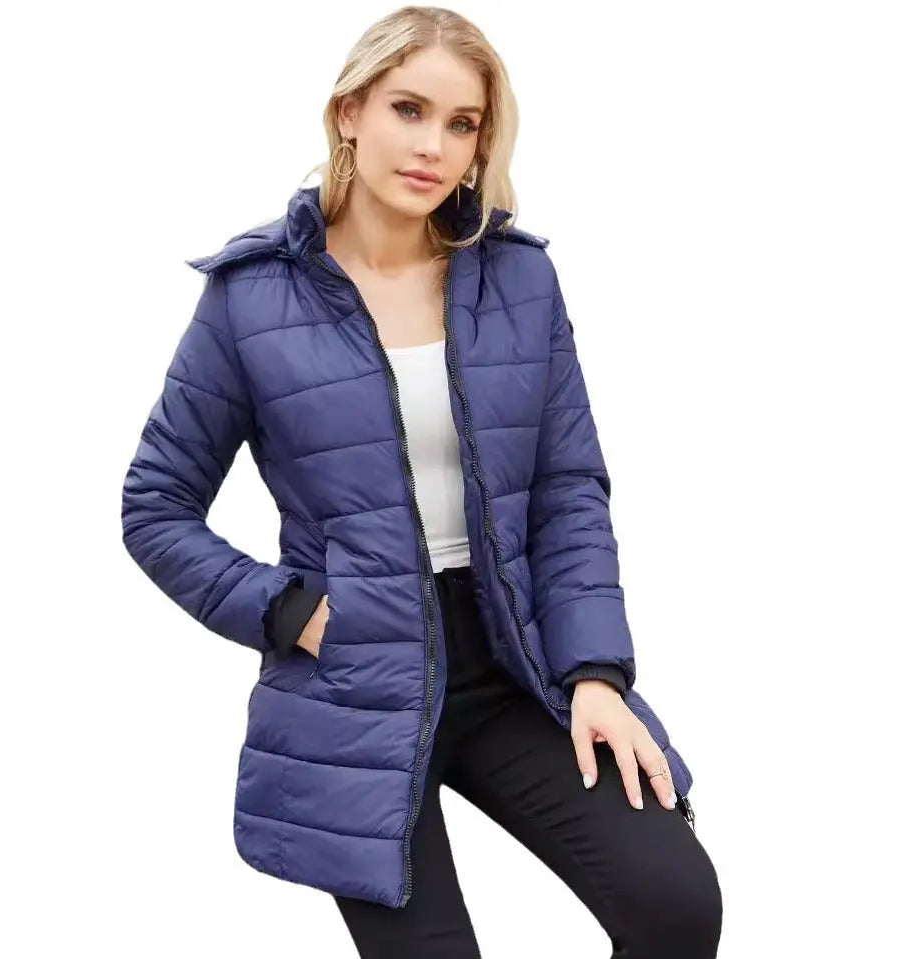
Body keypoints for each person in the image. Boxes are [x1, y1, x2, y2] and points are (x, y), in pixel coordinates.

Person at [120, 5, 722, 956]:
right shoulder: (251, 297)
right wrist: (288, 611)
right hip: (353, 676)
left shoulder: (517, 281)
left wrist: (595, 673)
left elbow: (566, 490)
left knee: (674, 904)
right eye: (408, 108)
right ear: (349, 112)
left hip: (511, 657)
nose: (433, 145)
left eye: (461, 123)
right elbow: (155, 506)